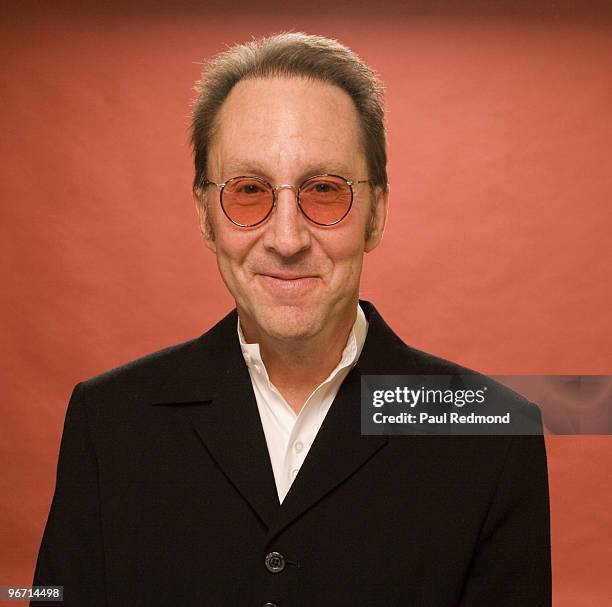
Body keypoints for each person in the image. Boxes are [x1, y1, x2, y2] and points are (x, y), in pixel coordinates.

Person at [32, 33, 551, 606]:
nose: (286, 239)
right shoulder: (107, 421)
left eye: (324, 190)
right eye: (249, 190)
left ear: (376, 213)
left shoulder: (495, 431)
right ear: (206, 216)